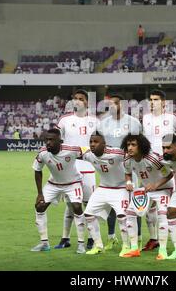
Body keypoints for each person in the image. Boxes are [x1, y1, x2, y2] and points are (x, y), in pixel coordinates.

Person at [97, 94, 142, 250]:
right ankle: (111, 237)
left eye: (115, 103)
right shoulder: (102, 124)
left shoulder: (133, 123)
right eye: (110, 104)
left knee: (135, 205)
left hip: (130, 169)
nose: (112, 106)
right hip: (110, 170)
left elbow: (138, 146)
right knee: (110, 205)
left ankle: (138, 239)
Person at [30, 129, 86, 253]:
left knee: (77, 207)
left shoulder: (71, 150)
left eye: (51, 140)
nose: (48, 143)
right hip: (53, 184)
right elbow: (37, 170)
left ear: (60, 141)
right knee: (40, 206)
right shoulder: (43, 153)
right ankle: (44, 243)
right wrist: (39, 194)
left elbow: (89, 153)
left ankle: (81, 244)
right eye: (46, 140)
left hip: (73, 183)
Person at [55, 90, 97, 250]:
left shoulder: (95, 121)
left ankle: (92, 238)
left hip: (88, 168)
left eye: (81, 99)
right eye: (75, 99)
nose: (77, 101)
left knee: (89, 204)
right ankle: (65, 238)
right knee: (70, 204)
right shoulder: (64, 120)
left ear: (87, 103)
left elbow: (100, 143)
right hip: (70, 168)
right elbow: (57, 141)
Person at [120, 133, 174, 260]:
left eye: (133, 145)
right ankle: (134, 249)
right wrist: (128, 182)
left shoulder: (152, 159)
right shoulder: (127, 160)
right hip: (146, 190)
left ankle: (162, 250)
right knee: (130, 213)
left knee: (162, 215)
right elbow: (127, 174)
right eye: (128, 144)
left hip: (163, 188)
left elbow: (169, 174)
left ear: (141, 146)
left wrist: (156, 185)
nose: (130, 148)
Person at [82, 132, 130, 256]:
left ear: (104, 144)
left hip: (121, 188)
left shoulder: (116, 153)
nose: (92, 144)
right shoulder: (89, 155)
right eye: (91, 142)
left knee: (122, 217)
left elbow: (132, 157)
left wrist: (130, 180)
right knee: (88, 214)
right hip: (103, 188)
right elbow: (73, 153)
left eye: (96, 142)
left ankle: (126, 246)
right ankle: (98, 246)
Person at [142, 90, 176, 252]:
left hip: (168, 166)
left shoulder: (171, 118)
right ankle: (153, 238)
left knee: (174, 206)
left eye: (156, 100)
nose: (152, 102)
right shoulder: (146, 118)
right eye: (150, 99)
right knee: (148, 208)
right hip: (149, 166)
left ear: (164, 102)